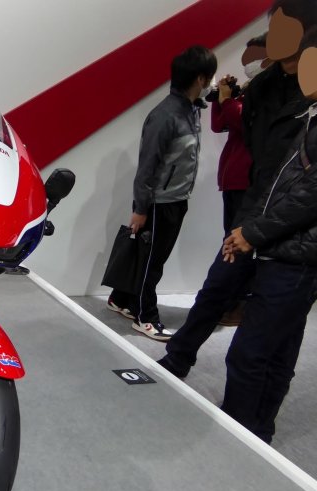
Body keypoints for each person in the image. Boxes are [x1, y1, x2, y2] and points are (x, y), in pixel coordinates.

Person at [158, 0, 317, 376]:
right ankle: (178, 356)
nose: (274, 36)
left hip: (297, 228)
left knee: (278, 327)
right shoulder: (263, 86)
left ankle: (257, 411)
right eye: (273, 27)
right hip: (254, 201)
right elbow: (246, 139)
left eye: (285, 28)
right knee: (218, 286)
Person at [218, 24, 317, 443]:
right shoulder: (308, 118)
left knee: (251, 353)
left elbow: (308, 197)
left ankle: (242, 439)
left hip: (295, 257)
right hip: (287, 253)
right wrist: (249, 229)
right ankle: (257, 433)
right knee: (275, 351)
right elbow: (281, 184)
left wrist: (253, 232)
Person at [107, 45, 217, 342]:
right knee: (151, 262)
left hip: (176, 199)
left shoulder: (191, 110)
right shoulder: (166, 115)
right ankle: (145, 317)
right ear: (200, 78)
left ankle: (121, 299)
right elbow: (147, 166)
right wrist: (141, 208)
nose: (211, 83)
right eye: (209, 77)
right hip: (160, 202)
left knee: (150, 256)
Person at [210, 34, 268, 326]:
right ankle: (228, 302)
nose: (249, 65)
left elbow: (247, 122)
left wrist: (228, 100)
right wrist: (222, 98)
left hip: (250, 181)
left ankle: (239, 304)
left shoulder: (270, 92)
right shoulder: (248, 90)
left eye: (254, 59)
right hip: (233, 179)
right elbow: (219, 124)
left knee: (241, 244)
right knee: (229, 241)